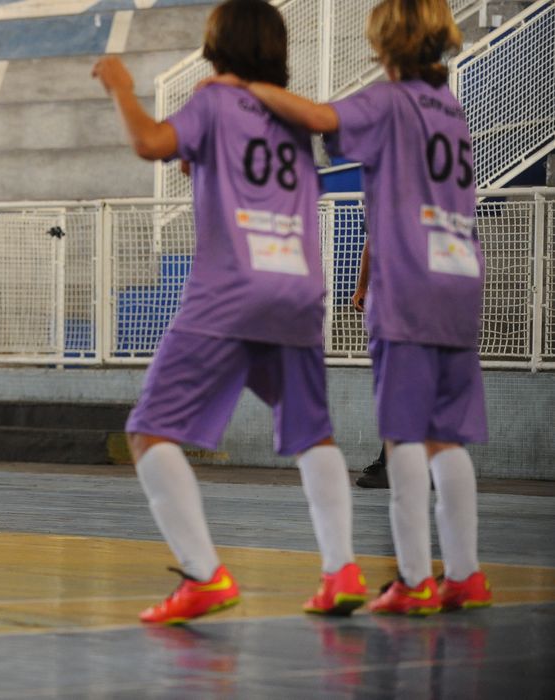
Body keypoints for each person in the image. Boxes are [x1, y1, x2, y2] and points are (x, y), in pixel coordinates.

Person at [215, 0, 492, 615]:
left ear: (385, 40)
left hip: (412, 286)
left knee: (403, 439)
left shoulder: (392, 103)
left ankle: (415, 581)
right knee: (447, 439)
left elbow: (319, 116)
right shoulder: (451, 109)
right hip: (459, 276)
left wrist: (248, 83)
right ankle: (467, 576)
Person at [93, 0, 365, 625]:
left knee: (150, 431)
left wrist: (122, 88)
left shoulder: (214, 102)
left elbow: (148, 143)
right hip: (298, 289)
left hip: (230, 289)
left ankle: (202, 575)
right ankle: (342, 570)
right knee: (313, 434)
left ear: (216, 48)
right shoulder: (294, 120)